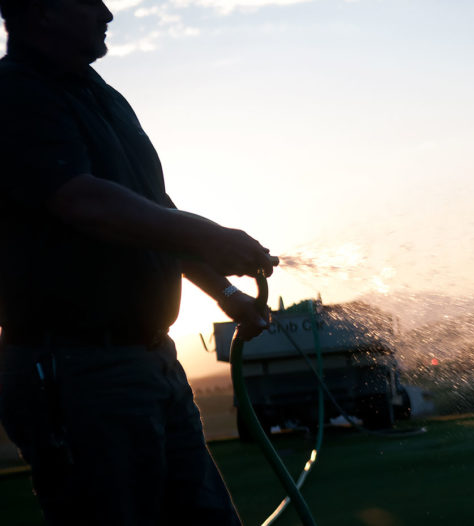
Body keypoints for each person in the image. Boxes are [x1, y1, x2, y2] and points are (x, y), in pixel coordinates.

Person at [0, 1, 273, 524]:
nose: (107, 13)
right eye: (89, 0)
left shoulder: (103, 98)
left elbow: (153, 213)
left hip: (150, 361)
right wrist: (208, 234)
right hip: (77, 372)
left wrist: (227, 293)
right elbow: (83, 201)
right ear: (45, 10)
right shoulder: (15, 93)